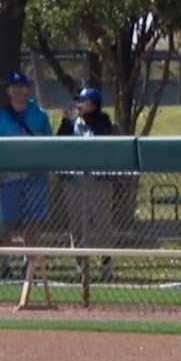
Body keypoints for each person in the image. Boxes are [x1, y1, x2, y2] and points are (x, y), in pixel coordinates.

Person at [0, 72, 52, 279]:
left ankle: (29, 263)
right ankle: (5, 264)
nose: (18, 90)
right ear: (8, 90)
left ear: (27, 89)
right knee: (6, 223)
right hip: (8, 177)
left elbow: (49, 143)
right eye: (14, 86)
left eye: (22, 86)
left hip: (35, 176)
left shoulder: (40, 114)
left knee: (33, 222)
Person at [56, 87, 117, 282]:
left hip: (98, 182)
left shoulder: (105, 124)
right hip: (74, 182)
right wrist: (66, 121)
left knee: (102, 224)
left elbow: (105, 140)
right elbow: (58, 144)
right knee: (76, 226)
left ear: (93, 104)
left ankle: (106, 265)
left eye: (83, 102)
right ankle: (81, 267)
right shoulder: (72, 125)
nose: (79, 105)